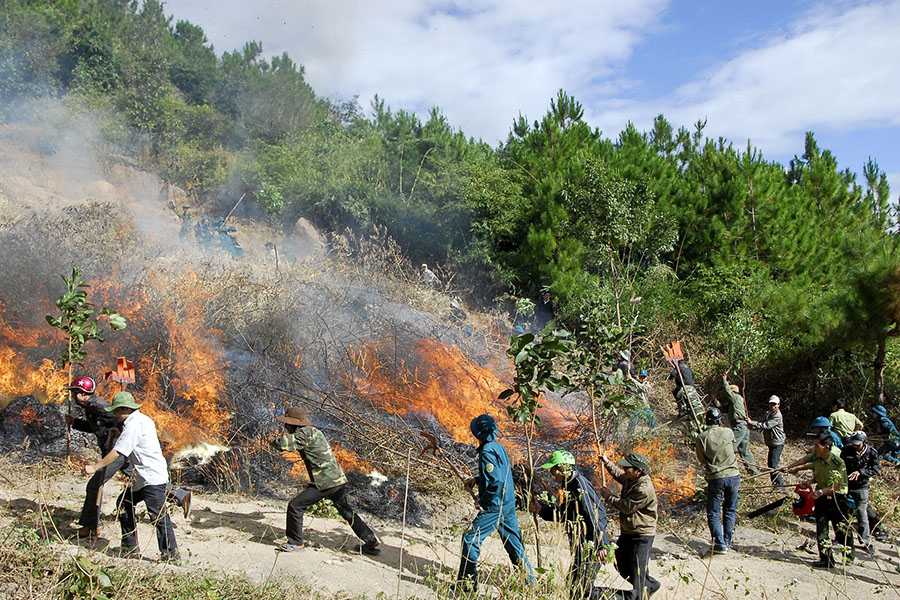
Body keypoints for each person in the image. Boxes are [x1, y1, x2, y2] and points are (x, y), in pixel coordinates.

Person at [66, 377, 191, 537]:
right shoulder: (90, 407)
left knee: (94, 485)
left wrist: (119, 435)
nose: (73, 396)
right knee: (145, 479)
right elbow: (96, 428)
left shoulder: (100, 406)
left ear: (82, 393)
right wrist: (75, 422)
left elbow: (120, 420)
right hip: (118, 451)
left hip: (116, 452)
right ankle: (180, 495)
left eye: (75, 392)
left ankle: (89, 527)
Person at [83, 392, 179, 562]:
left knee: (158, 516)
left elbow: (118, 452)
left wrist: (95, 467)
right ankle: (129, 545)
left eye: (116, 412)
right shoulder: (141, 420)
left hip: (151, 477)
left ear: (123, 410)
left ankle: (171, 555)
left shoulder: (134, 425)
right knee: (123, 503)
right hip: (141, 477)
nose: (114, 415)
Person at [269, 407, 379, 554]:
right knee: (346, 511)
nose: (285, 426)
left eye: (286, 423)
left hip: (325, 482)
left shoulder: (304, 434)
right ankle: (370, 540)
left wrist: (267, 440)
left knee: (295, 506)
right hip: (337, 479)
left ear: (293, 424)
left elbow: (281, 444)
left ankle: (295, 543)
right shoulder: (314, 432)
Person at [457, 414, 534, 594]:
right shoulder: (498, 447)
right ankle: (529, 584)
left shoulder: (486, 452)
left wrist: (483, 501)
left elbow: (496, 482)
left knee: (470, 539)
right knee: (514, 543)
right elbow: (500, 474)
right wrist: (477, 480)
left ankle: (467, 586)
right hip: (507, 504)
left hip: (495, 505)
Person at [532, 450, 609, 599]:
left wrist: (600, 544)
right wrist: (542, 510)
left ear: (563, 469)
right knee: (573, 584)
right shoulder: (570, 485)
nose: (551, 474)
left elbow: (594, 515)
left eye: (553, 470)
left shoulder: (580, 486)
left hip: (591, 544)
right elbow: (566, 514)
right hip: (582, 543)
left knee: (583, 589)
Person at [785, 432, 855, 568]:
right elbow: (804, 461)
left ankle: (848, 556)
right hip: (821, 498)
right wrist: (790, 468)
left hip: (836, 499)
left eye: (817, 446)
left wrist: (821, 491)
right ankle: (826, 559)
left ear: (827, 447)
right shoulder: (816, 458)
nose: (814, 448)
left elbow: (839, 485)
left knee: (841, 529)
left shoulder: (837, 463)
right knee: (822, 528)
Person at [599, 452, 661, 600]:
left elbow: (626, 507)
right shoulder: (631, 478)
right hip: (628, 532)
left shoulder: (643, 489)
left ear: (638, 471)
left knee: (638, 570)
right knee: (619, 562)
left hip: (641, 535)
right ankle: (650, 585)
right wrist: (607, 463)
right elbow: (620, 475)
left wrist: (608, 496)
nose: (625, 470)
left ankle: (639, 594)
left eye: (628, 467)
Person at [695, 407, 741, 556]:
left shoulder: (702, 437)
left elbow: (701, 459)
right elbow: (731, 447)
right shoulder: (728, 432)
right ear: (720, 420)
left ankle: (720, 544)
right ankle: (727, 541)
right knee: (730, 509)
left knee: (714, 511)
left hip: (716, 477)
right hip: (734, 475)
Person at [841, 432, 880, 553]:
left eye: (857, 444)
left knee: (862, 514)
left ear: (864, 443)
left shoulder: (872, 452)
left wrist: (860, 472)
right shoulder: (847, 450)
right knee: (842, 512)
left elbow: (875, 469)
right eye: (853, 443)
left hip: (861, 486)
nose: (854, 446)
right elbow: (840, 464)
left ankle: (865, 542)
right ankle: (842, 539)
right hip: (846, 485)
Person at [720, 375, 759, 475]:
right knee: (744, 451)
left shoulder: (736, 398)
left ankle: (724, 468)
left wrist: (724, 380)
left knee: (730, 446)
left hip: (740, 426)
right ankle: (753, 472)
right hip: (744, 427)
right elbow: (722, 408)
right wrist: (714, 401)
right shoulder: (736, 403)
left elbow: (727, 391)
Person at [749, 396, 785, 489]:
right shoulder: (768, 413)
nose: (772, 406)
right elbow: (761, 423)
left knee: (773, 465)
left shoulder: (777, 415)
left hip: (777, 442)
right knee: (771, 465)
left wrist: (752, 423)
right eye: (771, 404)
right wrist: (752, 426)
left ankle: (780, 486)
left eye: (774, 404)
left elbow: (767, 425)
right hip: (771, 442)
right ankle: (775, 485)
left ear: (778, 405)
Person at [669, 359, 704, 439]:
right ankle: (685, 409)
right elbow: (693, 375)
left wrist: (671, 377)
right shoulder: (687, 367)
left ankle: (682, 409)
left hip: (685, 388)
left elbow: (672, 375)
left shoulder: (678, 367)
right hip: (691, 387)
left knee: (677, 393)